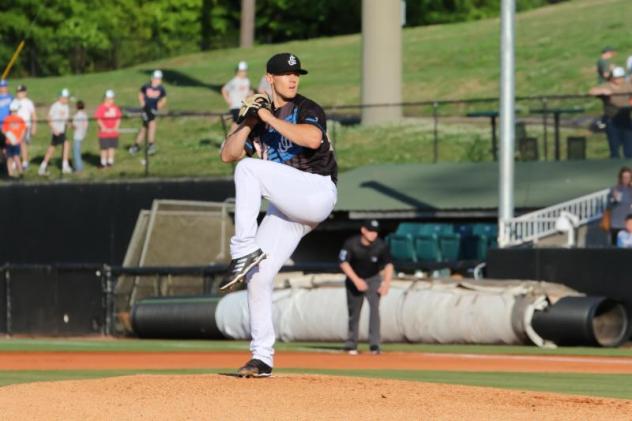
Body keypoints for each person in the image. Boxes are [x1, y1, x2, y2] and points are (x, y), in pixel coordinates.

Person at [219, 53, 338, 378]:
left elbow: (312, 138)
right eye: (285, 73)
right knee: (259, 275)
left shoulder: (307, 108)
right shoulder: (259, 122)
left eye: (296, 73)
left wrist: (268, 118)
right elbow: (226, 154)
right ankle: (262, 357)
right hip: (288, 208)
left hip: (316, 192)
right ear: (269, 78)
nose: (292, 78)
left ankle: (241, 249)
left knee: (249, 170)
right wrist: (247, 122)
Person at [339, 219, 394, 356]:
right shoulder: (351, 243)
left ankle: (374, 344)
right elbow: (343, 263)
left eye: (375, 231)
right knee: (354, 312)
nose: (373, 234)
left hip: (373, 278)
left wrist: (386, 283)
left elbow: (388, 265)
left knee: (375, 309)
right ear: (363, 230)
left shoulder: (381, 245)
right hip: (354, 278)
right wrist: (356, 281)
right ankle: (351, 343)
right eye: (370, 231)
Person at [589, 67, 632, 158]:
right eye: (617, 77)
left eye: (621, 77)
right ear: (612, 78)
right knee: (614, 148)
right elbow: (591, 91)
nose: (619, 80)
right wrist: (602, 91)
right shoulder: (606, 86)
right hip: (611, 120)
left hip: (626, 120)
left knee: (629, 150)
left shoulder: (627, 85)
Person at [129, 70, 167, 156]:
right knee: (152, 125)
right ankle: (151, 145)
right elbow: (140, 95)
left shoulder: (161, 89)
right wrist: (143, 106)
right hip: (146, 109)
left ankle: (136, 146)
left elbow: (164, 100)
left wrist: (158, 107)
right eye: (155, 78)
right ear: (151, 78)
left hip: (153, 110)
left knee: (145, 128)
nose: (156, 80)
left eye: (158, 79)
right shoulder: (146, 86)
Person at [39, 89, 71, 175]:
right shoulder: (55, 106)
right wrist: (53, 128)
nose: (66, 100)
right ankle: (65, 165)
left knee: (52, 148)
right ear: (60, 97)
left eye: (67, 98)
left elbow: (66, 120)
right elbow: (48, 118)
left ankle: (43, 166)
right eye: (65, 98)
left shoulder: (66, 107)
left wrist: (70, 124)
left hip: (62, 130)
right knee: (66, 144)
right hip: (57, 130)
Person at [11, 85, 36, 170]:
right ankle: (15, 161)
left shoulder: (28, 102)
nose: (19, 94)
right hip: (15, 127)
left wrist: (34, 126)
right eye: (18, 92)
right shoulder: (14, 101)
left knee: (22, 143)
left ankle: (25, 161)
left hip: (25, 126)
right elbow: (12, 114)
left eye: (21, 92)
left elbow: (33, 115)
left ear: (25, 92)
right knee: (14, 144)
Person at [95, 90, 122, 168]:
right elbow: (98, 118)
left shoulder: (115, 108)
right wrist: (103, 127)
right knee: (104, 148)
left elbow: (118, 118)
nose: (112, 100)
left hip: (113, 133)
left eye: (113, 98)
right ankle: (103, 162)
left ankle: (110, 161)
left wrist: (116, 127)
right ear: (106, 99)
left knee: (111, 147)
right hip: (104, 133)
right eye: (110, 98)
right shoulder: (101, 107)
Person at [222, 61, 252, 130]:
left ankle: (230, 139)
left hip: (244, 106)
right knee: (239, 123)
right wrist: (228, 101)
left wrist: (250, 95)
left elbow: (248, 92)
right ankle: (231, 139)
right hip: (236, 106)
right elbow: (224, 90)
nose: (244, 72)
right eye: (242, 71)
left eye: (245, 71)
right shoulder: (234, 81)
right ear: (238, 71)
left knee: (237, 124)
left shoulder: (247, 81)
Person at [608, 167, 632, 246]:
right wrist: (614, 199)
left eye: (628, 177)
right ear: (620, 178)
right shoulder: (614, 189)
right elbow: (609, 205)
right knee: (615, 249)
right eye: (624, 177)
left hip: (628, 226)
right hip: (616, 225)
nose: (626, 179)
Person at [2, 101, 26, 177]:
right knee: (9, 158)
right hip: (9, 142)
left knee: (16, 157)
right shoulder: (7, 119)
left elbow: (23, 130)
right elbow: (4, 130)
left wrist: (19, 139)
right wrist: (9, 136)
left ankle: (20, 172)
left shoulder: (20, 119)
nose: (14, 112)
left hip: (17, 142)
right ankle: (10, 173)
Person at [71, 100, 88, 172]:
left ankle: (79, 167)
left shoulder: (76, 115)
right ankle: (80, 165)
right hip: (83, 134)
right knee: (78, 151)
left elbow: (75, 126)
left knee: (76, 152)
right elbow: (86, 125)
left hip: (77, 135)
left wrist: (70, 125)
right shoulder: (85, 115)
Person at [0, 79, 14, 152]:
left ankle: (11, 158)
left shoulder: (11, 97)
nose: (3, 88)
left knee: (10, 141)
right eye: (1, 87)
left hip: (8, 123)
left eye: (4, 86)